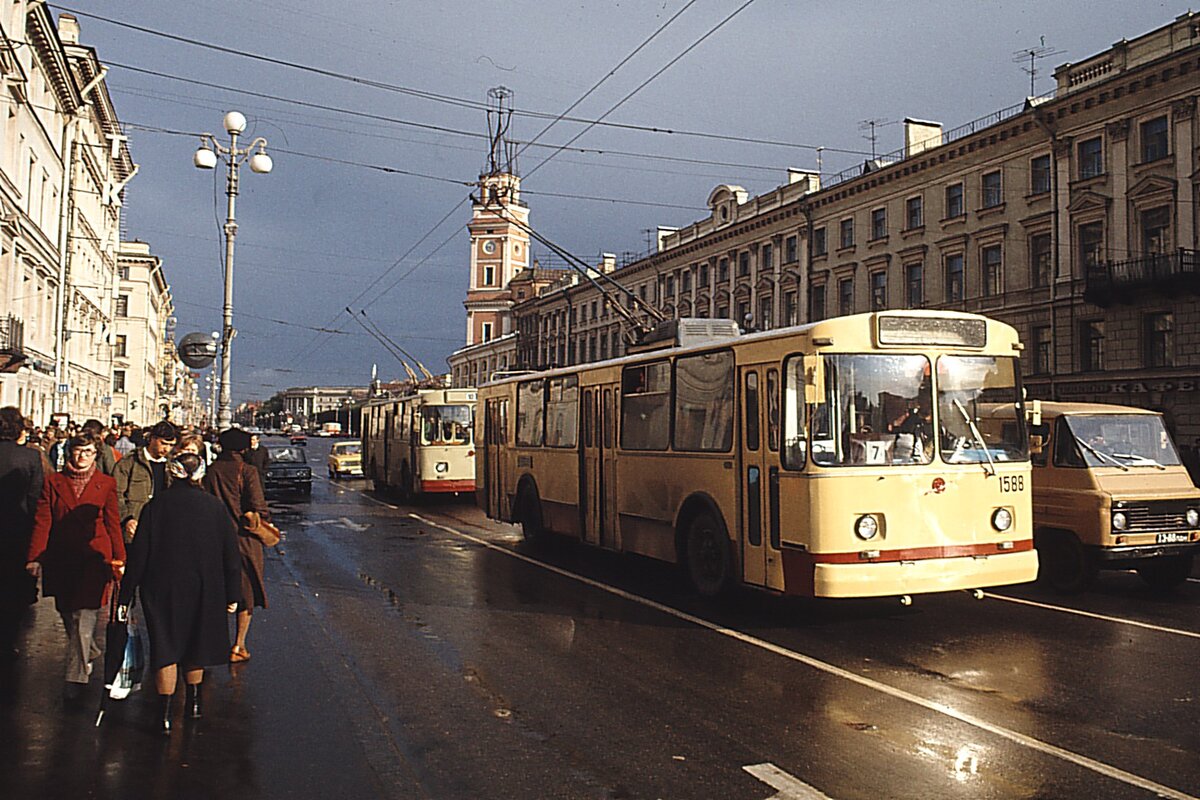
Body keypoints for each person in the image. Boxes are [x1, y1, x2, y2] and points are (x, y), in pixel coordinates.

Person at [119, 452, 241, 734]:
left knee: (166, 648)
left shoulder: (155, 507)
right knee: (196, 646)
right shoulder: (214, 507)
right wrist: (233, 594)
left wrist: (126, 596)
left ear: (172, 474)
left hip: (162, 588)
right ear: (201, 474)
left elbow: (140, 555)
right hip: (205, 587)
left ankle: (163, 715)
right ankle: (194, 704)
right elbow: (230, 556)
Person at [25, 436, 124, 702]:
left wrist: (119, 559)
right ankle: (89, 651)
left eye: (88, 452)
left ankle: (76, 678)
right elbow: (43, 521)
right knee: (66, 611)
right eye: (78, 451)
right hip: (62, 557)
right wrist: (35, 557)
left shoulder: (106, 484)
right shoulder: (54, 482)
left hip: (95, 558)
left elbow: (113, 523)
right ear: (69, 453)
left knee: (85, 616)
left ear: (96, 455)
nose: (82, 457)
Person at [202, 428, 269, 664]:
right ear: (243, 448)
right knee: (246, 592)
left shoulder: (211, 471)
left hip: (215, 540)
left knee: (217, 591)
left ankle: (211, 643)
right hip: (244, 541)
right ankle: (238, 645)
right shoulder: (247, 471)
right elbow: (258, 507)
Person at [0, 407, 44, 663]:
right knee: (12, 589)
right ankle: (7, 642)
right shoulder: (30, 457)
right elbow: (36, 499)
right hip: (18, 533)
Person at [111, 420, 178, 544]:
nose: (167, 449)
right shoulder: (130, 462)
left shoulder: (172, 465)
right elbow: (116, 494)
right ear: (152, 439)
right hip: (135, 525)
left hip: (163, 526)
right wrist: (127, 519)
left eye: (171, 445)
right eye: (163, 443)